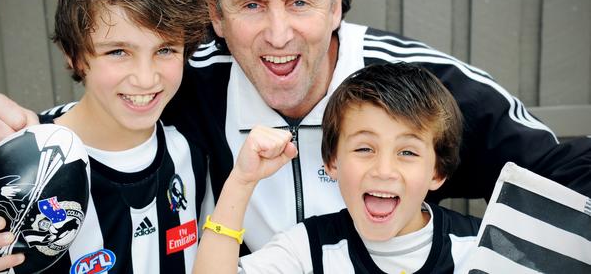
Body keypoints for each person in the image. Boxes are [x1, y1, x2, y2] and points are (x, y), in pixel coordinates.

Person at [0, 0, 591, 254]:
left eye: (301, 3)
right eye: (251, 6)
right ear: (215, 16)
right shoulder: (181, 80)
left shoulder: (424, 86)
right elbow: (96, 111)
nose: (278, 34)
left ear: (338, 5)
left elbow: (566, 175)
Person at [0, 0, 209, 273]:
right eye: (118, 52)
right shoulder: (9, 160)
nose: (145, 77)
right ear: (74, 55)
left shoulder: (194, 149)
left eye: (165, 49)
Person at [193, 63, 481, 273]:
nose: (383, 170)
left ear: (437, 171)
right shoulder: (308, 248)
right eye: (364, 148)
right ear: (332, 161)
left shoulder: (481, 247)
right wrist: (241, 181)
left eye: (407, 152)